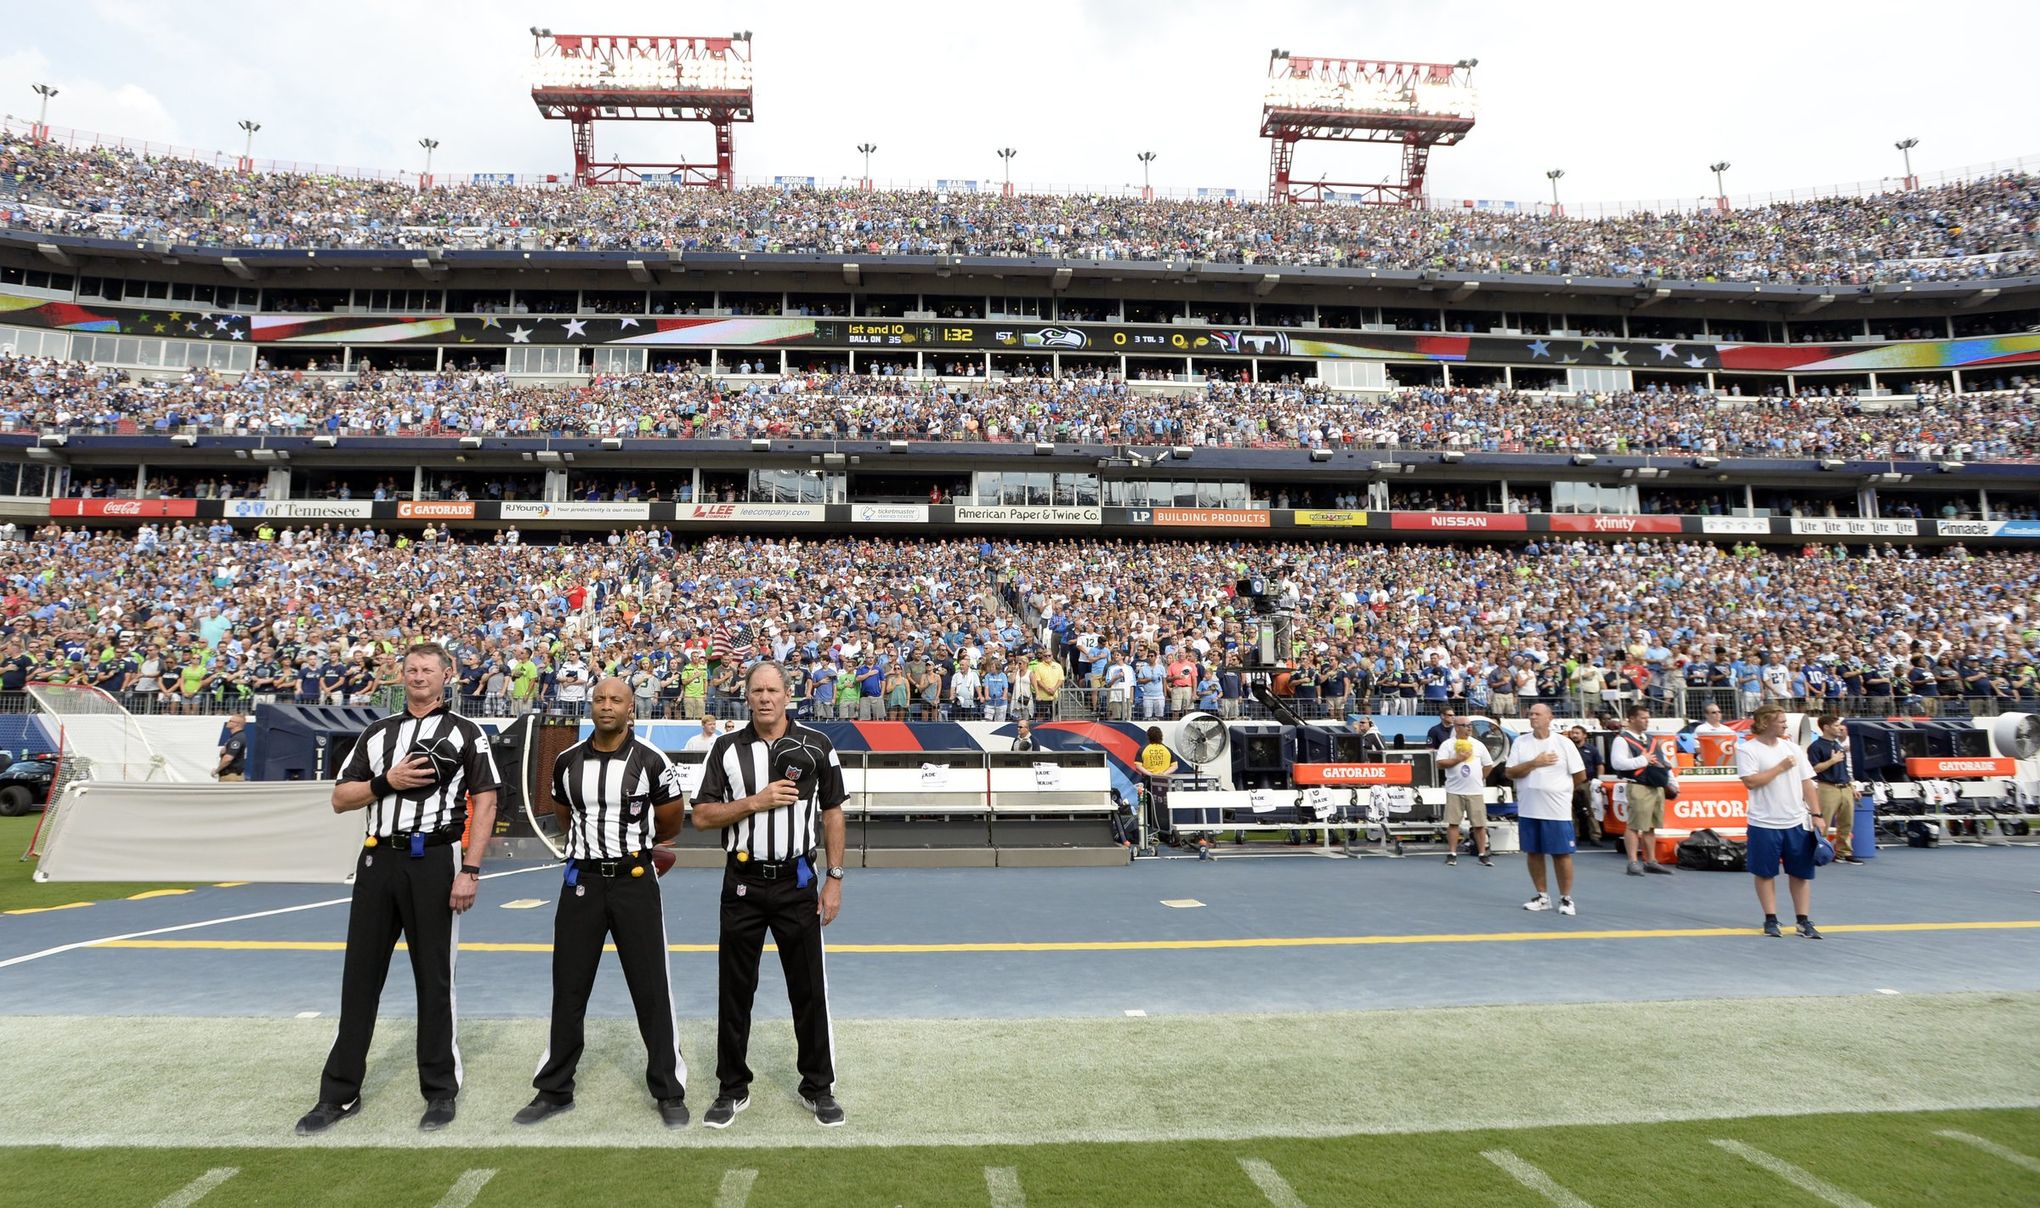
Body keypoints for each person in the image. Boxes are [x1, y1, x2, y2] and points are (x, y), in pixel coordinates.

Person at [295, 643, 502, 1136]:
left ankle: (439, 1091)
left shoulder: (467, 733)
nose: (418, 676)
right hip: (377, 859)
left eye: (428, 669)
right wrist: (386, 781)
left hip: (433, 858)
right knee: (359, 980)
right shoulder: (376, 732)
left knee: (434, 979)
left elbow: (487, 802)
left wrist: (470, 869)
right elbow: (341, 798)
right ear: (400, 674)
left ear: (447, 675)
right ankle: (339, 1094)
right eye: (411, 669)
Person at [516, 678, 690, 1129]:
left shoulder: (652, 760)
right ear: (590, 706)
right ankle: (554, 1088)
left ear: (631, 708)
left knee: (651, 988)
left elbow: (671, 820)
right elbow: (563, 814)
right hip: (582, 881)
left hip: (634, 880)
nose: (606, 706)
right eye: (599, 699)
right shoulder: (566, 761)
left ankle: (668, 1088)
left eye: (616, 700)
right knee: (569, 988)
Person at [690, 660, 849, 1129]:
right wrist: (755, 801)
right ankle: (731, 1087)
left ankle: (818, 1087)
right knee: (735, 990)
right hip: (741, 883)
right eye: (756, 690)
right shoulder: (724, 748)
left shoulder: (817, 745)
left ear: (787, 694)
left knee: (808, 990)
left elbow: (834, 812)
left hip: (797, 882)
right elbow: (701, 816)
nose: (764, 698)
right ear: (747, 696)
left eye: (772, 690)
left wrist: (835, 879)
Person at [1736, 704, 1824, 938]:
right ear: (1765, 722)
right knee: (1765, 873)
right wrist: (1781, 767)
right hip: (1763, 822)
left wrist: (1816, 815)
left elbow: (1807, 783)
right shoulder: (1748, 750)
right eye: (1781, 721)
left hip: (1796, 820)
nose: (1786, 724)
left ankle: (1803, 920)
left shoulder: (1793, 748)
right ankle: (1770, 919)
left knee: (1801, 873)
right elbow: (1751, 782)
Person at [1505, 703, 1586, 916]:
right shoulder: (1521, 742)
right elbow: (1511, 772)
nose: (1533, 717)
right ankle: (1542, 897)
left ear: (1549, 717)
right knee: (1534, 853)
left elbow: (1580, 775)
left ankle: (1566, 899)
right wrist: (1535, 763)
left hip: (1556, 810)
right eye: (1530, 714)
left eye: (1537, 714)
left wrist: (1561, 791)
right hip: (1529, 808)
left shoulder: (1564, 743)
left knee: (1561, 854)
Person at [1610, 704, 1676, 876]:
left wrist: (1672, 783)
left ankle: (1651, 860)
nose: (1647, 721)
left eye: (1648, 717)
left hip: (1656, 786)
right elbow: (1617, 763)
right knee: (1634, 825)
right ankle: (1632, 861)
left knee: (1651, 826)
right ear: (1632, 719)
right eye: (1643, 718)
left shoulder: (1652, 740)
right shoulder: (1622, 740)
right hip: (1638, 785)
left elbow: (1665, 764)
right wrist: (1642, 760)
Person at [1805, 713, 1864, 865]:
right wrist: (1832, 760)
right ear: (1826, 727)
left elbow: (1844, 768)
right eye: (1836, 726)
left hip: (1844, 787)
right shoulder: (1816, 747)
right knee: (1822, 822)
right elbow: (1814, 769)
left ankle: (1844, 852)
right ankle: (1820, 852)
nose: (1840, 729)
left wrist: (1851, 786)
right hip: (1827, 787)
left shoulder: (1837, 745)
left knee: (1846, 822)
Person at [1436, 717, 1492, 867]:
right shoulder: (1448, 744)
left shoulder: (1478, 745)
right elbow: (1440, 763)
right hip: (1454, 790)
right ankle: (1452, 854)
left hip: (1475, 791)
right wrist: (1458, 759)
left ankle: (1482, 854)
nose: (1469, 728)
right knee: (1454, 823)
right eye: (1465, 725)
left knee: (1479, 824)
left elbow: (1488, 765)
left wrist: (1480, 778)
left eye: (1470, 725)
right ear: (1457, 727)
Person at [215, 714, 248, 782]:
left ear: (237, 724)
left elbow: (228, 758)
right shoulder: (236, 737)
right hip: (230, 775)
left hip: (231, 776)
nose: (228, 722)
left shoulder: (237, 738)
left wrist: (216, 770)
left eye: (230, 721)